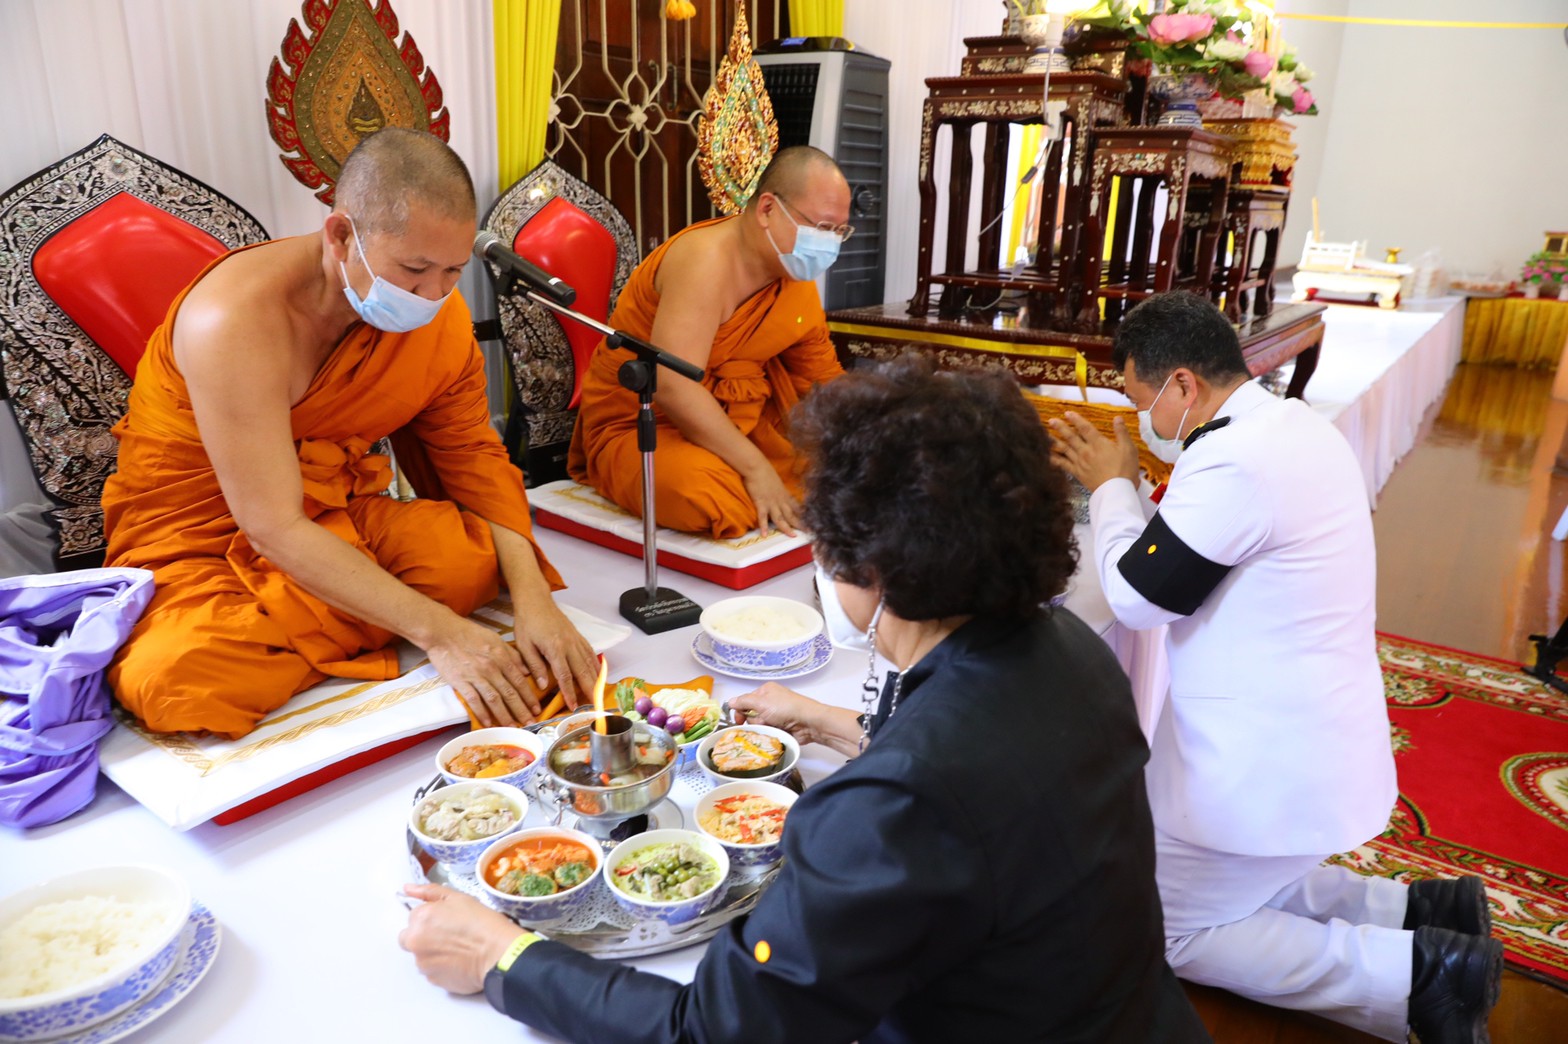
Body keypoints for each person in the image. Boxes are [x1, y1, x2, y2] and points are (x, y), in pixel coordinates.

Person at [400, 356, 1210, 1043]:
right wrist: (837, 724)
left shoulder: (887, 807)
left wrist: (503, 959)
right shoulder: (1074, 655)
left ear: (870, 565)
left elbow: (715, 1030)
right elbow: (989, 781)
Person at [1048, 291, 1503, 1044]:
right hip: (1307, 734)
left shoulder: (1238, 462)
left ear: (1184, 385)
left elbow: (1136, 597)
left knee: (1162, 925)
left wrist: (1109, 486)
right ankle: (1420, 909)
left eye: (1139, 402)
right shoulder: (1284, 423)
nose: (1140, 424)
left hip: (1269, 760)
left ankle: (1421, 975)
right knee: (1229, 880)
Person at [102, 128, 600, 739]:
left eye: (452, 270)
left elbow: (473, 456)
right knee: (175, 679)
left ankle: (317, 628)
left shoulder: (435, 319)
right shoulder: (233, 321)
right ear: (341, 235)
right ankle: (356, 620)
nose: (434, 294)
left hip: (336, 515)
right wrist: (441, 634)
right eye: (414, 269)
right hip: (206, 540)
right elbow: (271, 524)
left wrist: (535, 602)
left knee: (465, 561)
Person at [566, 145, 847, 539]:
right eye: (821, 227)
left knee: (837, 475)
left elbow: (820, 376)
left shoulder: (790, 276)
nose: (830, 243)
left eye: (839, 231)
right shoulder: (705, 261)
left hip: (737, 425)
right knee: (712, 498)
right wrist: (756, 468)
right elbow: (673, 385)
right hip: (645, 424)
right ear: (767, 209)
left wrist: (864, 438)